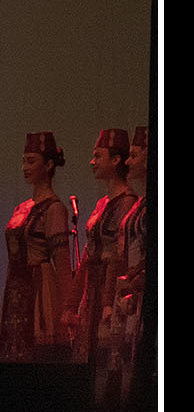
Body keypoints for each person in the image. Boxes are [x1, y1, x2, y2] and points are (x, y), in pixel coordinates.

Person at [0, 131, 75, 363]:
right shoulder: (22, 208)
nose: (25, 167)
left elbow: (62, 262)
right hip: (15, 286)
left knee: (37, 356)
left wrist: (69, 307)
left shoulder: (54, 208)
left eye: (31, 161)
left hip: (40, 288)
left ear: (48, 165)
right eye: (24, 161)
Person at [71, 128, 135, 378]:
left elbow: (118, 256)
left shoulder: (127, 202)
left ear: (116, 159)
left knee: (104, 355)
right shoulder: (103, 203)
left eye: (98, 156)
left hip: (108, 290)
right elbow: (88, 256)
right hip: (93, 289)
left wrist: (108, 301)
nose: (92, 162)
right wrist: (71, 303)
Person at [106, 126, 150, 411]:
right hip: (129, 294)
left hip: (143, 295)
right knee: (120, 364)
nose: (129, 161)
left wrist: (136, 279)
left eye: (135, 155)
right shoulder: (141, 204)